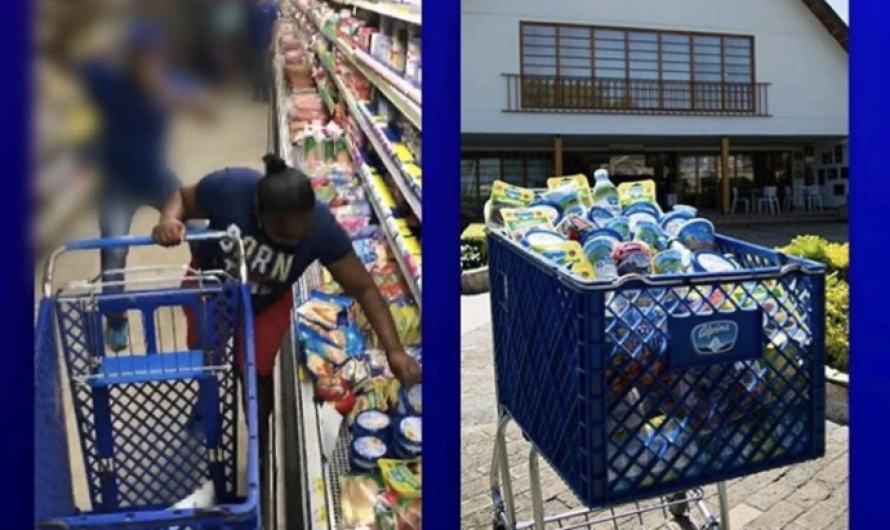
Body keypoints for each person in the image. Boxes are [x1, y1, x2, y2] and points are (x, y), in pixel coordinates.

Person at [150, 154, 422, 455]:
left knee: (255, 372)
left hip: (268, 303)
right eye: (282, 236)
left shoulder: (320, 229)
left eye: (301, 236)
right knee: (206, 355)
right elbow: (184, 198)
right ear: (258, 213)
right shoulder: (230, 189)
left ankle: (259, 442)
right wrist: (169, 219)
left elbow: (364, 288)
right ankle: (205, 399)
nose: (293, 243)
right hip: (211, 289)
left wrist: (394, 351)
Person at [52, 19, 214, 351]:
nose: (146, 64)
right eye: (139, 58)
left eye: (152, 57)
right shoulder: (107, 81)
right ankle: (115, 319)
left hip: (158, 178)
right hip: (116, 184)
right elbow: (66, 59)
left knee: (200, 229)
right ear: (128, 59)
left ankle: (212, 298)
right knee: (113, 248)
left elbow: (207, 111)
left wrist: (167, 93)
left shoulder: (167, 83)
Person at [247, 0, 278, 102]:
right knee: (255, 69)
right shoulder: (251, 7)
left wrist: (273, 43)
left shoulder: (270, 6)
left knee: (265, 70)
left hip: (266, 43)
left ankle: (266, 95)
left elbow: (275, 24)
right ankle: (256, 93)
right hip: (253, 44)